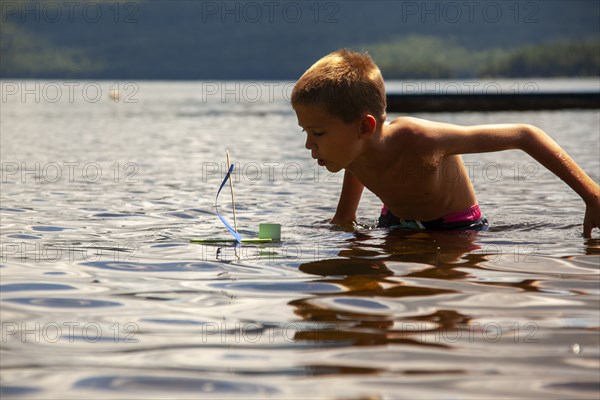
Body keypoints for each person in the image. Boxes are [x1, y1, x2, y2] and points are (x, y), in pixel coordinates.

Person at [290, 49, 600, 238]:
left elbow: (524, 134)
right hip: (395, 224)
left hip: (458, 229)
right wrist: (343, 222)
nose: (308, 146)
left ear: (364, 127)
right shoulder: (354, 151)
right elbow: (350, 199)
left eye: (317, 134)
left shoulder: (421, 140)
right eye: (305, 132)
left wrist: (592, 195)